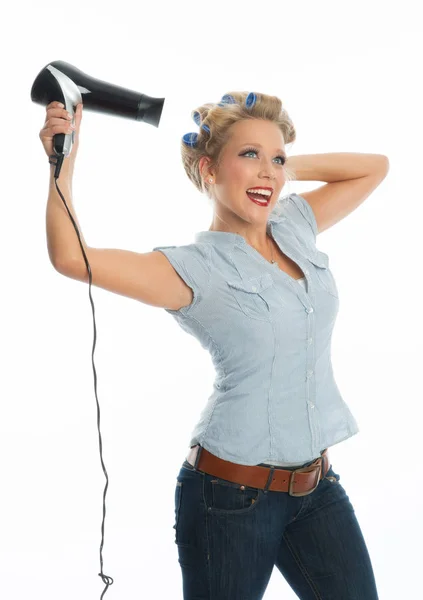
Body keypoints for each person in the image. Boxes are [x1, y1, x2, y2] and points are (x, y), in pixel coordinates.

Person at [40, 92, 380, 599]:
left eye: (276, 158)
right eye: (247, 156)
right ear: (207, 170)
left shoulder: (296, 225)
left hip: (316, 490)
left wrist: (274, 165)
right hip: (229, 498)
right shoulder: (189, 269)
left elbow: (374, 168)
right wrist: (61, 161)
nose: (267, 172)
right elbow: (71, 258)